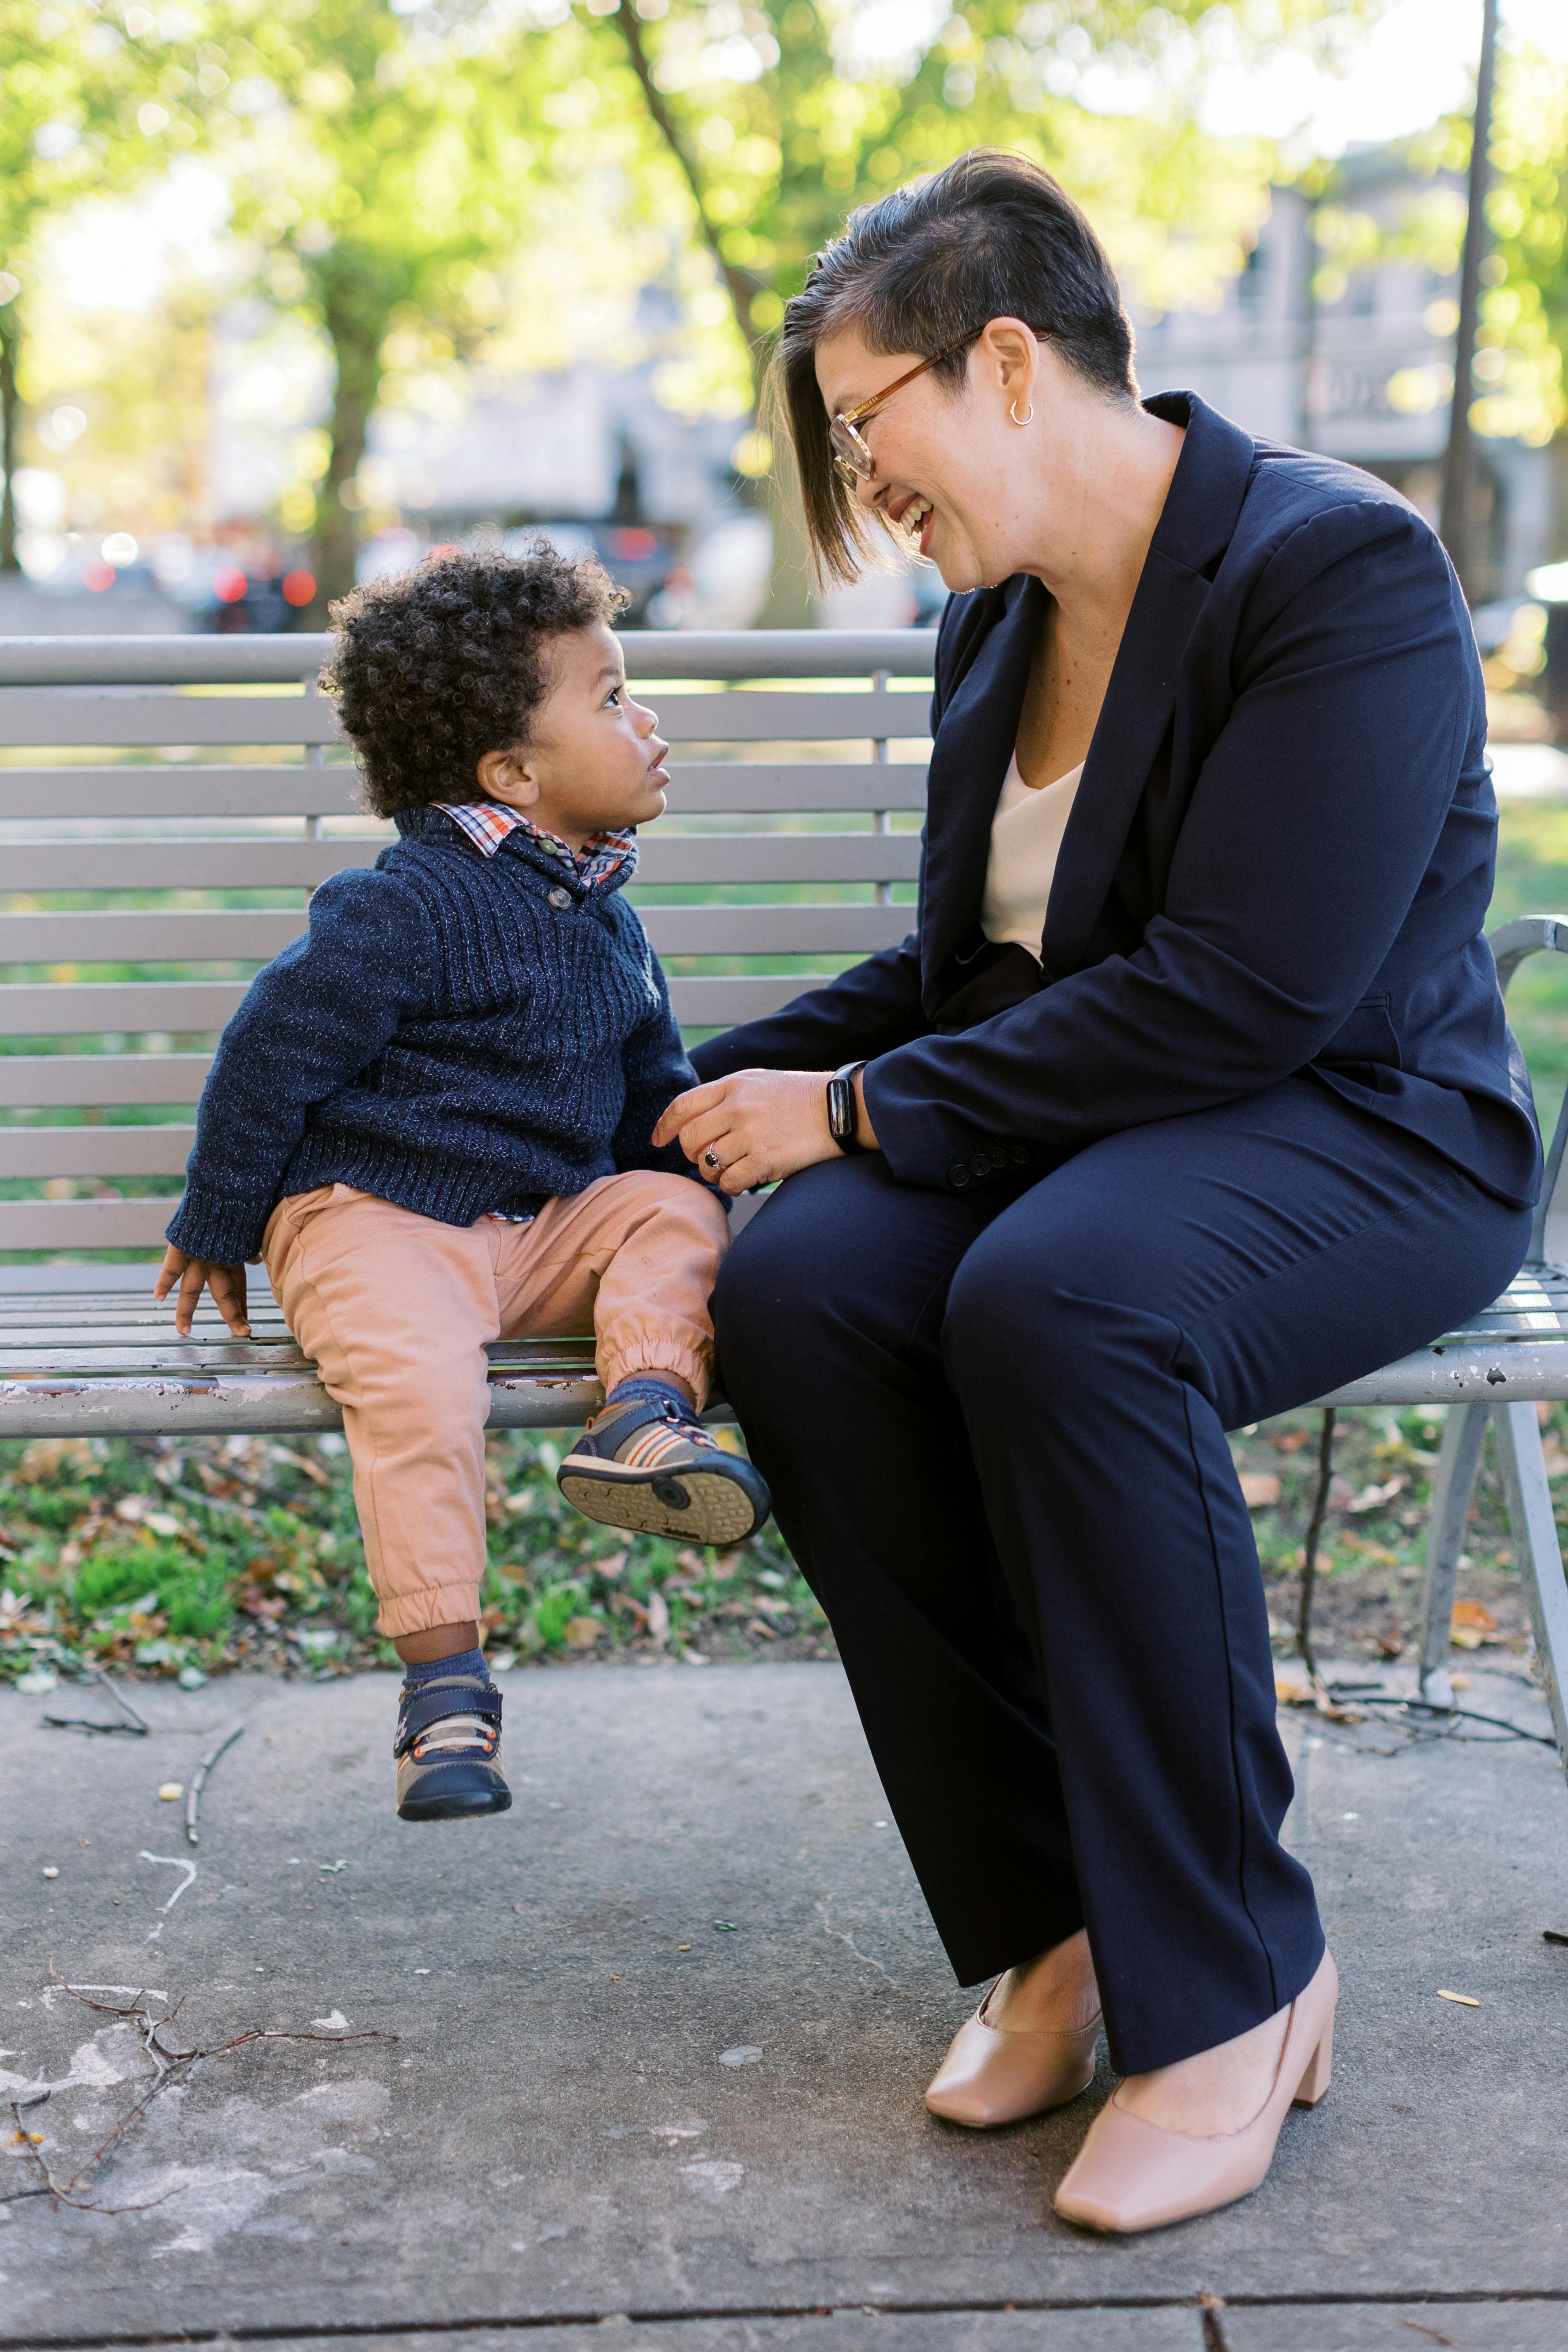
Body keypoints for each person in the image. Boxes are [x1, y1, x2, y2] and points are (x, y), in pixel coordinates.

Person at [653, 150, 1540, 2234]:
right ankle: (1054, 1928)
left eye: (872, 424)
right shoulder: (998, 626)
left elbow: (1245, 989)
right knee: (807, 1300)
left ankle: (1231, 1981)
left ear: (1010, 362)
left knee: (1061, 1296)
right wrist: (687, 1088)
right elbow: (976, 977)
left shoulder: (1342, 571)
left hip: (1369, 1127)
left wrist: (861, 1111)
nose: (866, 480)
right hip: (1116, 1127)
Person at [155, 546, 769, 1825]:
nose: (646, 721)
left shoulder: (604, 912)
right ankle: (444, 1690)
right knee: (422, 1388)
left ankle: (642, 1414)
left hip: (530, 1233)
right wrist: (220, 1220)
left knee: (669, 1209)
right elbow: (270, 1050)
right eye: (609, 697)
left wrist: (721, 1169)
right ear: (513, 774)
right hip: (373, 1221)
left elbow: (649, 1100)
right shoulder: (407, 905)